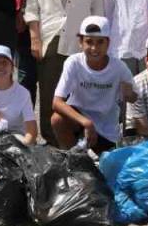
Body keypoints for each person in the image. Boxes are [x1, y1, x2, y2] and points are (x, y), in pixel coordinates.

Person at [24, 0, 103, 146]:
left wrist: (97, 41)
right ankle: (51, 143)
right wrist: (35, 38)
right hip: (51, 39)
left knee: (81, 93)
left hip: (82, 42)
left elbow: (97, 7)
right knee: (51, 94)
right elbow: (32, 7)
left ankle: (77, 141)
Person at [52, 16, 136, 152]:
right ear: (80, 42)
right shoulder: (73, 62)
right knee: (57, 119)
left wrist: (129, 93)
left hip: (107, 130)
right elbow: (57, 102)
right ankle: (74, 160)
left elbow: (134, 97)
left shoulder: (119, 67)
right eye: (89, 42)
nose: (94, 48)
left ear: (108, 43)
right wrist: (86, 122)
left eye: (100, 42)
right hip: (79, 122)